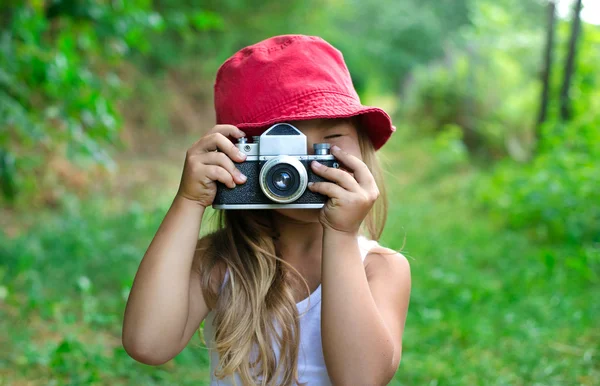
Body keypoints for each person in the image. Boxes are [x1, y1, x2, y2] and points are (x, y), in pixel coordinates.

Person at [122, 34, 411, 386]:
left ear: (362, 148)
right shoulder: (224, 262)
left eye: (330, 139)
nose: (301, 167)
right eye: (283, 151)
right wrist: (189, 201)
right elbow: (147, 344)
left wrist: (341, 234)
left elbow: (361, 380)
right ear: (238, 157)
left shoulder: (380, 270)